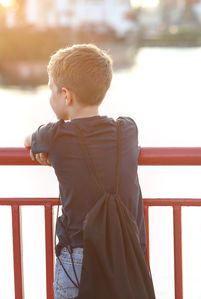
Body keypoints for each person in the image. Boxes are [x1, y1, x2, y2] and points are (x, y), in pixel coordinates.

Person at [24, 44, 147, 299]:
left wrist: (40, 145)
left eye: (51, 90)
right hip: (123, 254)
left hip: (77, 257)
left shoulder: (55, 136)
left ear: (66, 96)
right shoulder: (127, 130)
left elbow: (29, 139)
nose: (50, 97)